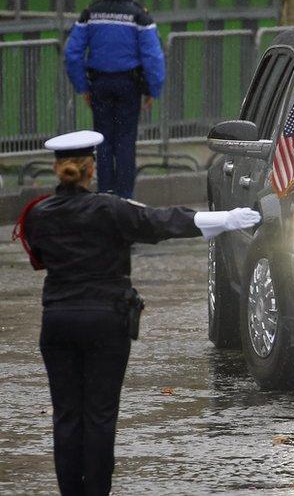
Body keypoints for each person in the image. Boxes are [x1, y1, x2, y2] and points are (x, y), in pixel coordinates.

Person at [14, 131, 260, 495]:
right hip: (105, 321)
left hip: (58, 321)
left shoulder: (36, 214)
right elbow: (162, 222)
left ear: (57, 169)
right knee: (100, 416)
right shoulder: (112, 209)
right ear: (91, 169)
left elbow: (38, 258)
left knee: (66, 415)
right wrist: (225, 219)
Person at [64, 0, 165, 199]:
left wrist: (82, 87)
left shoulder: (90, 14)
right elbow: (153, 55)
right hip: (129, 86)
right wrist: (152, 88)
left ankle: (105, 194)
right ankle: (125, 197)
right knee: (125, 141)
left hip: (99, 84)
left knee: (103, 140)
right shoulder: (139, 16)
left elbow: (73, 54)